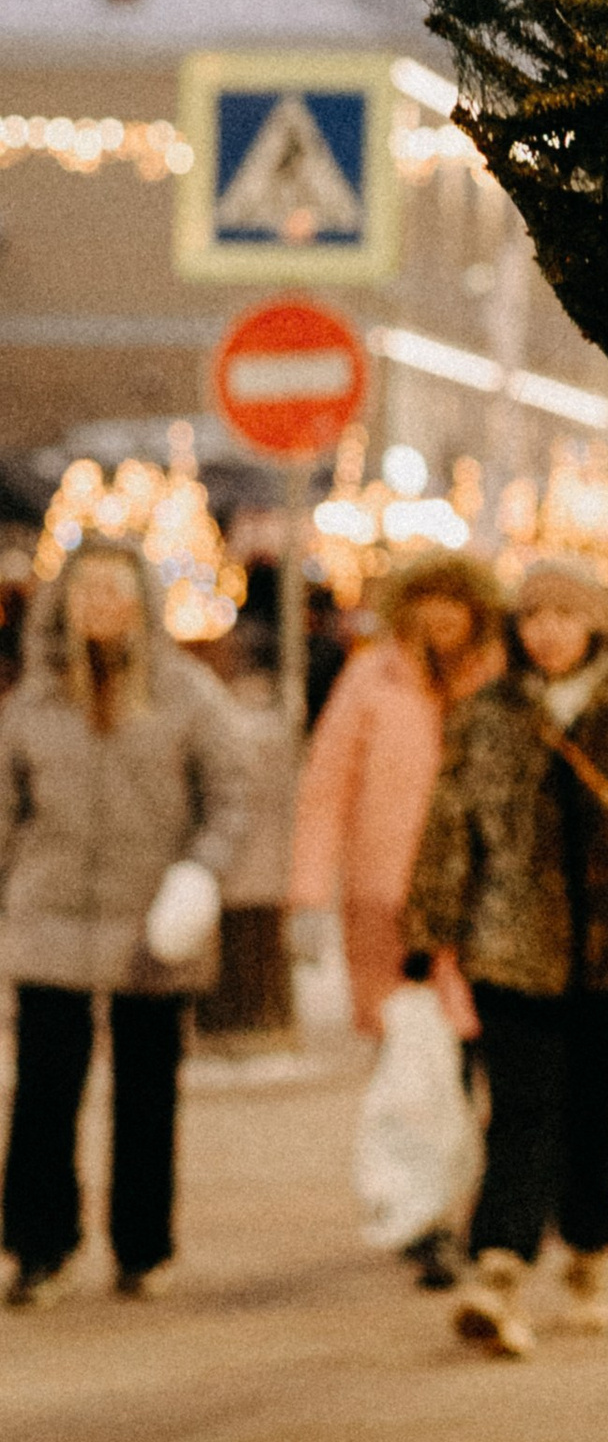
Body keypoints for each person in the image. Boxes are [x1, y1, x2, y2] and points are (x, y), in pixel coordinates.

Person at [409, 557, 608, 1358]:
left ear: (597, 623)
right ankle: (497, 1267)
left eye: (565, 616)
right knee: (522, 1111)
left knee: (597, 1107)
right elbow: (448, 821)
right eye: (534, 617)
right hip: (513, 947)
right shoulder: (488, 712)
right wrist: (430, 926)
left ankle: (590, 1245)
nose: (547, 631)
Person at [0, 542, 247, 1304]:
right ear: (63, 603)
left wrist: (202, 871)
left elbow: (230, 796)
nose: (99, 605)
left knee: (148, 1091)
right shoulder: (31, 705)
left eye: (114, 590)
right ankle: (39, 1244)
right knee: (44, 1087)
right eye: (85, 592)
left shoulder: (188, 696)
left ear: (142, 600)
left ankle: (143, 1245)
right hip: (51, 918)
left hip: (154, 920)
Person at [289, 549, 507, 1043]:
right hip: (386, 899)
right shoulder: (370, 678)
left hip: (483, 896)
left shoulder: (502, 678)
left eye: (455, 600)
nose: (441, 613)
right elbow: (326, 789)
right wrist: (308, 893)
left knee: (488, 1044)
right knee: (403, 1052)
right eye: (428, 600)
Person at [195, 629, 298, 1045]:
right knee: (251, 945)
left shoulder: (225, 723)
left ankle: (235, 1022)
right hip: (256, 861)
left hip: (239, 860)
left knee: (240, 946)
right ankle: (256, 1020)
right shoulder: (266, 725)